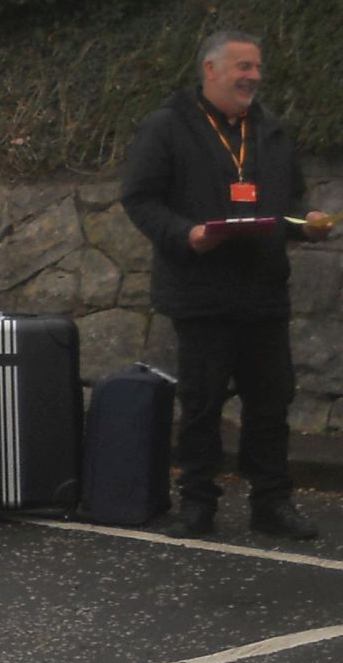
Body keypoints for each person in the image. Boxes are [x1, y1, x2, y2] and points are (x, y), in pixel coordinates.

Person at [121, 30, 332, 540]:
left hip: (262, 290)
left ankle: (272, 504)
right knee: (202, 404)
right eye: (243, 66)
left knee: (271, 402)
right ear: (210, 70)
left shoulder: (272, 132)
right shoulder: (167, 128)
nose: (253, 76)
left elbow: (291, 201)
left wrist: (308, 223)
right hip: (201, 291)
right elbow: (140, 198)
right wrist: (186, 234)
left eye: (257, 67)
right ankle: (198, 506)